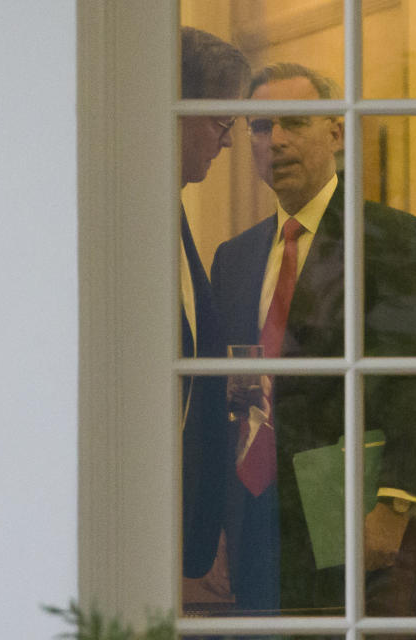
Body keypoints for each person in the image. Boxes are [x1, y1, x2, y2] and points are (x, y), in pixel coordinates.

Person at [210, 63, 416, 613]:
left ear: (337, 134)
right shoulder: (234, 258)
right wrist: (215, 526)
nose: (274, 140)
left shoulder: (389, 238)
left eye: (293, 122)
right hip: (250, 524)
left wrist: (391, 512)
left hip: (350, 520)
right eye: (259, 126)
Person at [178, 26, 250, 581]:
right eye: (221, 123)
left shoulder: (171, 216)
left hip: (183, 539)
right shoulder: (120, 221)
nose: (229, 142)